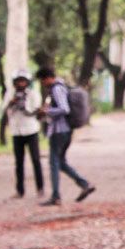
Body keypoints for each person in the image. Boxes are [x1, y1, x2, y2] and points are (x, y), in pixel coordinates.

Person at [36, 67, 95, 206]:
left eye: (42, 80)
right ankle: (84, 184)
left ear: (47, 78)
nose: (43, 83)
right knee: (60, 162)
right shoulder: (61, 87)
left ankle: (56, 196)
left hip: (59, 130)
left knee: (54, 163)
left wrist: (47, 111)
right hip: (65, 130)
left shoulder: (57, 89)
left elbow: (64, 109)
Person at [0, 69, 45, 198]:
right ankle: (20, 190)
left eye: (23, 81)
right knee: (19, 163)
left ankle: (40, 188)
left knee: (36, 160)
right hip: (16, 131)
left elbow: (35, 108)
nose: (21, 84)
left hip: (31, 130)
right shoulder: (10, 93)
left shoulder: (32, 94)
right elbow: (3, 108)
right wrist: (11, 102)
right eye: (18, 81)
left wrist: (24, 105)